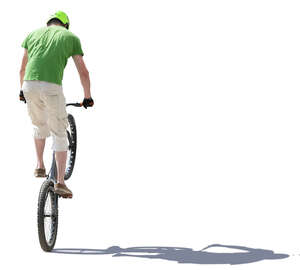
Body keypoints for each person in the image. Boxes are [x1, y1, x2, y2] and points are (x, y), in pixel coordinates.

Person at [19, 11, 94, 198]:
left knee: (39, 125)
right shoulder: (70, 37)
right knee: (60, 134)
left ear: (49, 24)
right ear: (65, 25)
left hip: (28, 84)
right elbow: (83, 72)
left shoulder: (33, 34)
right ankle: (61, 182)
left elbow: (22, 68)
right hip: (51, 87)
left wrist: (22, 91)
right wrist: (87, 97)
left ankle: (39, 166)